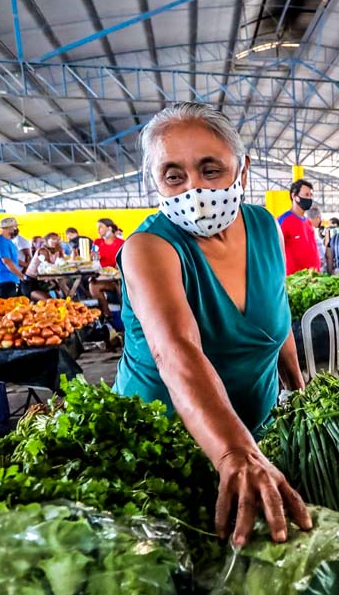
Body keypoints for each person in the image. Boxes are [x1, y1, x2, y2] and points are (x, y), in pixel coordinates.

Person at [113, 101, 310, 546]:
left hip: (250, 441)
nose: (194, 189)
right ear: (155, 183)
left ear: (242, 171)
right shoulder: (148, 248)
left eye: (210, 170)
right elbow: (175, 352)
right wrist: (232, 452)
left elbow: (277, 322)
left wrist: (302, 393)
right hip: (162, 449)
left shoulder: (264, 227)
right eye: (174, 176)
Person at [278, 179, 321, 275]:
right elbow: (274, 250)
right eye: (306, 195)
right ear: (294, 196)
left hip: (313, 279)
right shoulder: (283, 221)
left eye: (311, 195)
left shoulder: (308, 223)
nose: (309, 198)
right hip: (295, 281)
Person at [90, 218, 125, 317]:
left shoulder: (121, 244)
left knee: (93, 285)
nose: (98, 230)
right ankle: (107, 314)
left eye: (101, 227)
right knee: (92, 284)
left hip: (118, 278)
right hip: (102, 276)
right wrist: (93, 257)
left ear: (109, 228)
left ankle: (111, 316)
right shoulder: (97, 242)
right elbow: (93, 259)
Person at [0, 217, 26, 299]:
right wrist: (21, 276)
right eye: (14, 227)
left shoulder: (8, 241)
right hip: (5, 279)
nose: (15, 229)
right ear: (8, 228)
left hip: (11, 279)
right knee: (4, 307)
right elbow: (7, 261)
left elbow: (13, 259)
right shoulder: (1, 241)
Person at [24, 232, 65, 301]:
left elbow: (63, 264)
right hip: (31, 283)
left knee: (62, 296)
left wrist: (60, 252)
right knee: (50, 301)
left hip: (44, 283)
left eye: (57, 239)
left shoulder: (56, 251)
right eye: (53, 239)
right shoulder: (42, 250)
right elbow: (48, 267)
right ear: (46, 241)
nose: (56, 241)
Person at [305, 206, 327, 271]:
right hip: (313, 268)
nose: (320, 221)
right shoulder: (311, 230)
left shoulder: (308, 228)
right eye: (320, 219)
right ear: (318, 218)